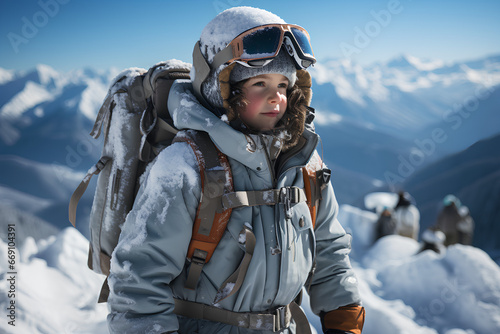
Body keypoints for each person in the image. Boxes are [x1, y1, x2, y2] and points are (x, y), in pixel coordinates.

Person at [107, 6, 364, 334]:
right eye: (259, 83)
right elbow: (137, 285)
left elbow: (329, 251)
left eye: (283, 85)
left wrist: (344, 317)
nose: (276, 98)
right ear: (222, 89)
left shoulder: (305, 166)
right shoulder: (185, 168)